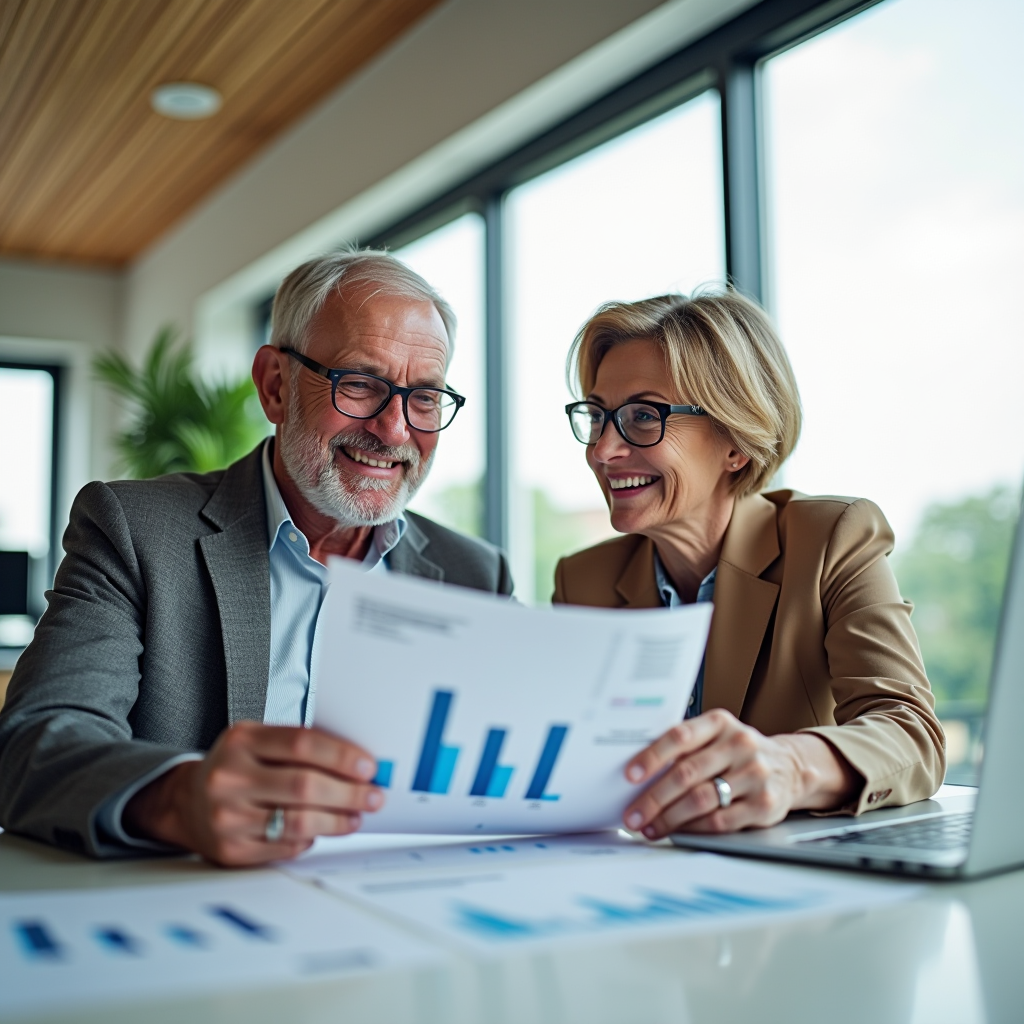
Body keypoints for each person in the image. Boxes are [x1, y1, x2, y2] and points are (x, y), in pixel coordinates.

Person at [0, 250, 512, 864]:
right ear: (275, 385)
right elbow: (34, 745)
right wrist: (177, 797)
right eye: (360, 384)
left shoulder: (475, 577)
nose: (395, 430)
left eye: (424, 398)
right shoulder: (135, 530)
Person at [554, 290, 944, 840]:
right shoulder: (583, 581)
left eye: (644, 416)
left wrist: (790, 767)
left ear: (735, 443)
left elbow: (912, 735)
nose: (602, 450)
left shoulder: (832, 539)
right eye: (598, 417)